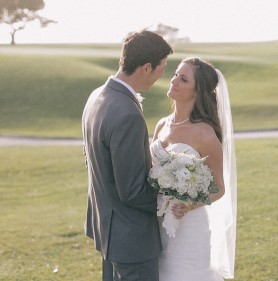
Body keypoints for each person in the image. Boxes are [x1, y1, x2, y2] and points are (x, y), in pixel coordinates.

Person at [82, 30, 173, 281]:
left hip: (108, 229)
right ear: (146, 68)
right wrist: (170, 199)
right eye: (161, 68)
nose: (162, 75)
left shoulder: (97, 97)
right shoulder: (128, 114)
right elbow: (133, 191)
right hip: (132, 239)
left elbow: (92, 159)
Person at [150, 57, 237, 280]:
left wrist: (189, 204)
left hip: (190, 229)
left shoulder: (205, 134)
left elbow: (219, 188)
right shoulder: (162, 124)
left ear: (197, 92)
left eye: (184, 79)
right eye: (176, 74)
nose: (174, 81)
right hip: (158, 225)